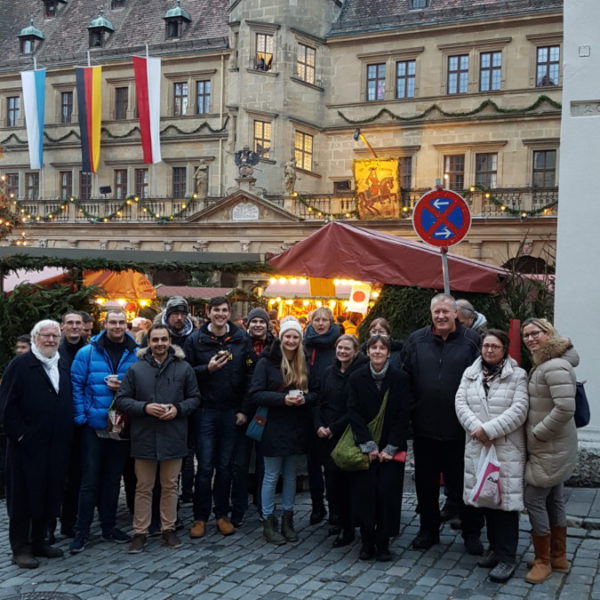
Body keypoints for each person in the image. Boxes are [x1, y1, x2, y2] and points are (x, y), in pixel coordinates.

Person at [402, 293, 484, 553]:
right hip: (425, 429)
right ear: (431, 314)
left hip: (460, 430)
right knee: (425, 486)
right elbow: (405, 379)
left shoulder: (471, 341)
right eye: (436, 312)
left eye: (445, 312)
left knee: (463, 486)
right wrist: (411, 413)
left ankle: (472, 533)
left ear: (455, 314)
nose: (441, 316)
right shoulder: (417, 340)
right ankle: (429, 530)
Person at [116, 325, 200, 553]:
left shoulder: (184, 368)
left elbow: (195, 398)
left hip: (173, 435)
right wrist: (145, 407)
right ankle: (140, 532)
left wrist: (178, 409)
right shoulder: (137, 369)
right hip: (144, 436)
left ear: (170, 341)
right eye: (155, 340)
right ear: (149, 342)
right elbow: (122, 399)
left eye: (164, 339)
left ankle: (168, 528)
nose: (160, 344)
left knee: (170, 485)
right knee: (143, 487)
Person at [455, 329, 529, 583]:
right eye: (486, 346)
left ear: (504, 349)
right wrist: (477, 429)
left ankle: (507, 556)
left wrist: (489, 430)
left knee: (505, 503)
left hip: (504, 447)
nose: (489, 350)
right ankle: (494, 548)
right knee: (487, 498)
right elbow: (460, 403)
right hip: (478, 445)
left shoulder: (517, 376)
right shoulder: (470, 374)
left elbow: (519, 410)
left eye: (494, 346)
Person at [0, 320, 73, 569]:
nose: (51, 340)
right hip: (26, 448)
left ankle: (39, 541)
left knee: (48, 495)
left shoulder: (62, 364)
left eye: (55, 336)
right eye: (46, 336)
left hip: (55, 446)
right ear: (35, 338)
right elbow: (7, 409)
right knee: (22, 499)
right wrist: (21, 437)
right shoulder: (20, 365)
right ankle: (20, 548)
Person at [69, 309, 138, 553]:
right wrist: (81, 415)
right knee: (89, 480)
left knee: (112, 478)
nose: (117, 326)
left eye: (121, 322)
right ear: (104, 324)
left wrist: (124, 385)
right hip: (94, 424)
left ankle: (108, 526)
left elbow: (142, 384)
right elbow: (76, 384)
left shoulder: (136, 353)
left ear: (126, 325)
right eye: (113, 322)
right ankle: (82, 531)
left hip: (120, 423)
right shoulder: (87, 353)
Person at [184, 296, 251, 538]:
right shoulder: (195, 339)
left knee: (225, 467)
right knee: (204, 467)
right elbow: (186, 374)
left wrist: (243, 409)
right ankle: (200, 517)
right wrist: (207, 369)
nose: (221, 314)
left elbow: (249, 375)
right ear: (208, 312)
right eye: (216, 310)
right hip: (206, 411)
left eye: (224, 310)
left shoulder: (241, 338)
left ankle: (222, 515)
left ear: (229, 313)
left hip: (231, 410)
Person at [521, 318, 578, 585]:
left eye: (535, 334)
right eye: (526, 335)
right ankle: (558, 557)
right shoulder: (547, 362)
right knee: (554, 499)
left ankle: (543, 560)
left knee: (533, 498)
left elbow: (565, 408)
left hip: (549, 446)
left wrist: (538, 432)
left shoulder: (554, 365)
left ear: (549, 334)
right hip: (553, 446)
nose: (530, 339)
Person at [249, 317, 316, 545]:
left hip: (296, 426)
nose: (291, 340)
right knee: (270, 475)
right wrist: (283, 399)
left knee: (290, 475)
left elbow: (316, 393)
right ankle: (268, 520)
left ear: (300, 340)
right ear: (281, 337)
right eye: (287, 336)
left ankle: (288, 520)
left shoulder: (304, 361)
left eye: (295, 336)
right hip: (273, 426)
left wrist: (304, 399)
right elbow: (255, 393)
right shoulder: (266, 362)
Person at [347, 335, 411, 561]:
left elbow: (404, 415)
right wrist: (368, 445)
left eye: (382, 348)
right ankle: (366, 541)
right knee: (365, 495)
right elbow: (353, 412)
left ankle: (383, 541)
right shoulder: (356, 377)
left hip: (391, 446)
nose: (377, 351)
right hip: (365, 447)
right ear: (367, 352)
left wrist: (390, 447)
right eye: (373, 348)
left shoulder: (400, 378)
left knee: (387, 495)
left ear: (388, 352)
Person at [315, 334, 367, 547]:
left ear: (355, 352)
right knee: (333, 482)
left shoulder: (360, 375)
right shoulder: (329, 373)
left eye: (347, 349)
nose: (342, 352)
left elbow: (355, 408)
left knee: (348, 483)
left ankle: (350, 525)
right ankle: (337, 519)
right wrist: (318, 425)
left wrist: (333, 428)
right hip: (326, 434)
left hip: (346, 433)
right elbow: (319, 401)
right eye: (340, 348)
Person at [231, 307, 275, 526]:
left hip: (267, 411)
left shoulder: (276, 347)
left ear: (268, 324)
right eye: (254, 321)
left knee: (264, 464)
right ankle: (238, 508)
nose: (258, 325)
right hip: (243, 411)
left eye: (262, 321)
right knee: (240, 463)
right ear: (248, 324)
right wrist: (241, 410)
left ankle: (262, 505)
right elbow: (237, 380)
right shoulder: (240, 346)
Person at [303, 306, 340, 525]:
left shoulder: (337, 345)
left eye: (324, 320)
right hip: (308, 408)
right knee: (313, 464)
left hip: (331, 410)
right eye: (316, 320)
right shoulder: (304, 345)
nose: (320, 323)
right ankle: (317, 506)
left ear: (331, 322)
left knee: (332, 465)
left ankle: (335, 507)